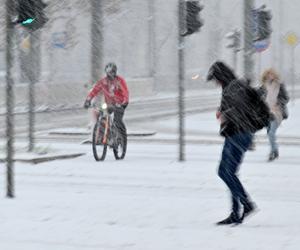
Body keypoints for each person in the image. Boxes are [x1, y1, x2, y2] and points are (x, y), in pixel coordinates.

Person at [207, 61, 267, 225]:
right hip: (241, 133)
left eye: (216, 79)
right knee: (230, 173)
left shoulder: (233, 89)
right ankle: (235, 212)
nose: (216, 83)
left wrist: (225, 115)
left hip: (237, 134)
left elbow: (238, 112)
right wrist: (225, 114)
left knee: (223, 172)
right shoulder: (235, 86)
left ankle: (246, 204)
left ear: (221, 76)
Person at [84, 63, 129, 137]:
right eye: (108, 73)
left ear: (115, 72)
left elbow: (125, 92)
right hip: (108, 104)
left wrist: (125, 102)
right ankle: (101, 135)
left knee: (117, 121)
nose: (110, 74)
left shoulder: (120, 81)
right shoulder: (103, 82)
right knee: (100, 115)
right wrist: (88, 100)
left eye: (112, 72)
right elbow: (94, 91)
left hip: (119, 104)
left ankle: (122, 136)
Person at [258, 69, 289, 161]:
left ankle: (273, 152)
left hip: (277, 112)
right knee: (269, 133)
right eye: (268, 74)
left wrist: (279, 103)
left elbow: (286, 98)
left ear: (275, 75)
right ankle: (274, 151)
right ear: (265, 76)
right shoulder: (263, 87)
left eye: (271, 74)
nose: (270, 76)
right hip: (266, 113)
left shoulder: (280, 86)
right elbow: (256, 97)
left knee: (271, 133)